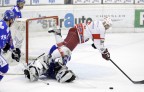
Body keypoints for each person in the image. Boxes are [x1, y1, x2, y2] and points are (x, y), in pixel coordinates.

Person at [24, 17, 112, 83]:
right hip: (76, 35)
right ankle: (49, 59)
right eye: (107, 26)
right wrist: (104, 52)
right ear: (106, 24)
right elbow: (99, 43)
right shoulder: (102, 28)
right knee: (66, 50)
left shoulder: (97, 22)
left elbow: (92, 34)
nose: (106, 27)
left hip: (75, 32)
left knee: (65, 48)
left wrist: (95, 43)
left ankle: (57, 34)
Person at [0, 10, 21, 81]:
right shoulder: (4, 27)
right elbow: (3, 43)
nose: (13, 21)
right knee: (4, 67)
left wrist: (13, 50)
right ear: (10, 19)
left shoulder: (5, 26)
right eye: (12, 19)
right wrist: (4, 46)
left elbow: (9, 40)